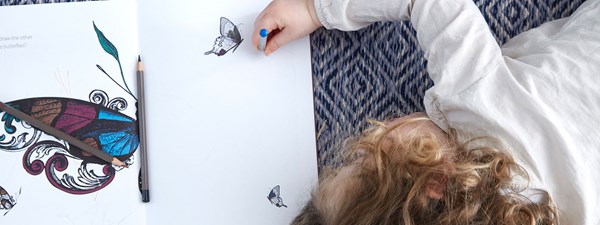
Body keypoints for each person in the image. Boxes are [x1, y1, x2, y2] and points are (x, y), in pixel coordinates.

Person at [253, 0, 600, 224]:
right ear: (434, 181)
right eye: (362, 158)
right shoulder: (477, 102)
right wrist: (315, 9)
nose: (357, 141)